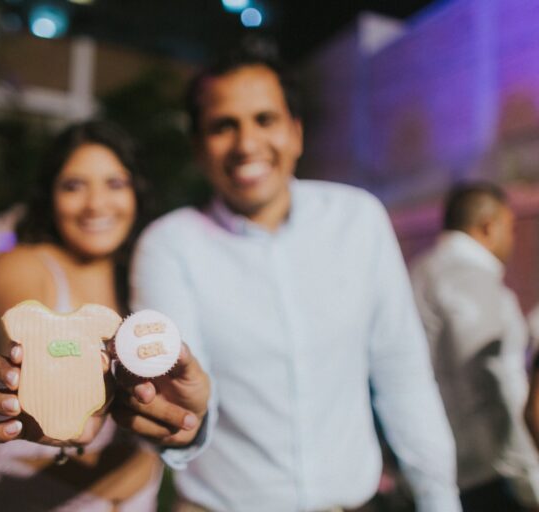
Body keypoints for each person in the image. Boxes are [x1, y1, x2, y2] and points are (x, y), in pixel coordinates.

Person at [124, 46, 459, 511]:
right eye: (224, 126)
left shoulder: (358, 219)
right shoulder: (169, 245)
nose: (247, 144)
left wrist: (440, 500)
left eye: (265, 120)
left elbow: (402, 373)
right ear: (199, 148)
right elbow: (180, 390)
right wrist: (181, 420)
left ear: (296, 133)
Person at [0, 120, 209, 511]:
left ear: (137, 193)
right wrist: (37, 383)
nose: (95, 204)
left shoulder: (142, 282)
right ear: (49, 196)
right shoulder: (22, 265)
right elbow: (23, 336)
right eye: (74, 186)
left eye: (114, 184)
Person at [411, 182, 539, 511]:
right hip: (490, 473)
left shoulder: (418, 274)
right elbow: (493, 381)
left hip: (437, 469)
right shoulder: (470, 278)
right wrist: (527, 474)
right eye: (510, 228)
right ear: (488, 227)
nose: (512, 239)